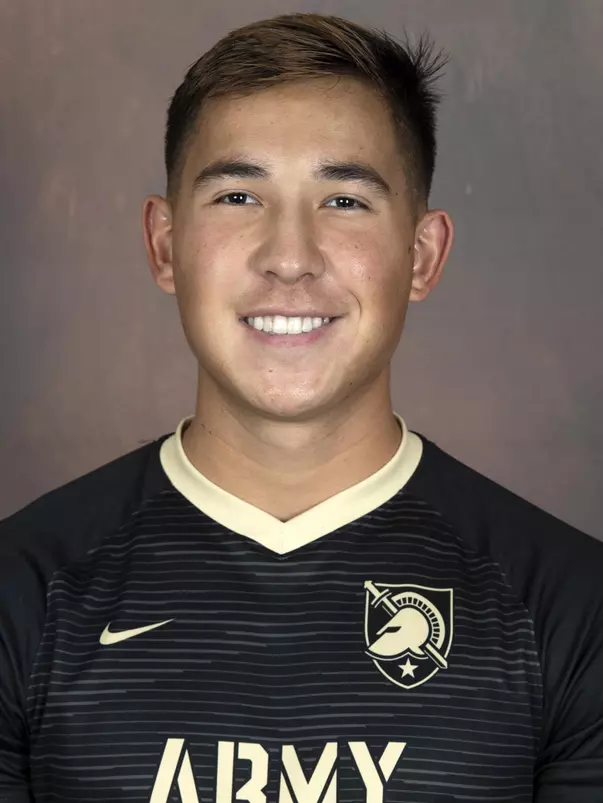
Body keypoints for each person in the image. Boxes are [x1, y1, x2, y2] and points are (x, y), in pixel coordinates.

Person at [0, 11, 601, 802]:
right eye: (239, 194)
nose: (289, 257)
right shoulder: (23, 591)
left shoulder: (567, 604)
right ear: (163, 244)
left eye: (344, 200)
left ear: (421, 256)